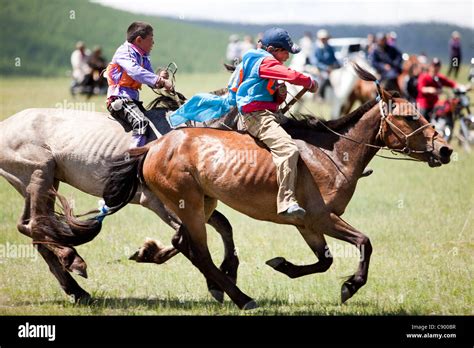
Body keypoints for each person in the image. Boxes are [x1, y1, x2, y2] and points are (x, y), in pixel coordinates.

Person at [236, 28, 318, 218]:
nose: (288, 56)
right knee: (288, 149)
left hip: (267, 113)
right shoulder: (265, 61)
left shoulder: (266, 61)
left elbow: (269, 96)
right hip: (257, 116)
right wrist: (310, 82)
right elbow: (292, 75)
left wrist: (279, 97)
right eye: (285, 51)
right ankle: (286, 201)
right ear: (272, 49)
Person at [105, 21, 173, 148]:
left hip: (132, 100)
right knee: (141, 123)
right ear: (139, 40)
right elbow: (135, 71)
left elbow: (150, 79)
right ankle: (133, 158)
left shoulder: (143, 57)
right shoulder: (124, 52)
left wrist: (160, 79)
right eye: (151, 39)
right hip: (119, 99)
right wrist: (161, 81)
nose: (153, 43)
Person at [416, 58, 457, 122]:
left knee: (446, 109)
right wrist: (430, 90)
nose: (435, 68)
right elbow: (421, 88)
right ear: (430, 66)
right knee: (422, 121)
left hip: (435, 104)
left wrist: (462, 87)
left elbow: (451, 83)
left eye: (437, 66)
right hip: (424, 104)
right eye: (434, 65)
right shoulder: (424, 76)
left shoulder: (439, 77)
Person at [312, 29, 340, 98]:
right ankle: (319, 95)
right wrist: (326, 68)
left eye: (326, 38)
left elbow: (334, 59)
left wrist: (337, 65)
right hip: (320, 69)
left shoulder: (330, 48)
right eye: (323, 39)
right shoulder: (316, 48)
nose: (325, 40)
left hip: (331, 68)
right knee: (324, 77)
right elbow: (316, 62)